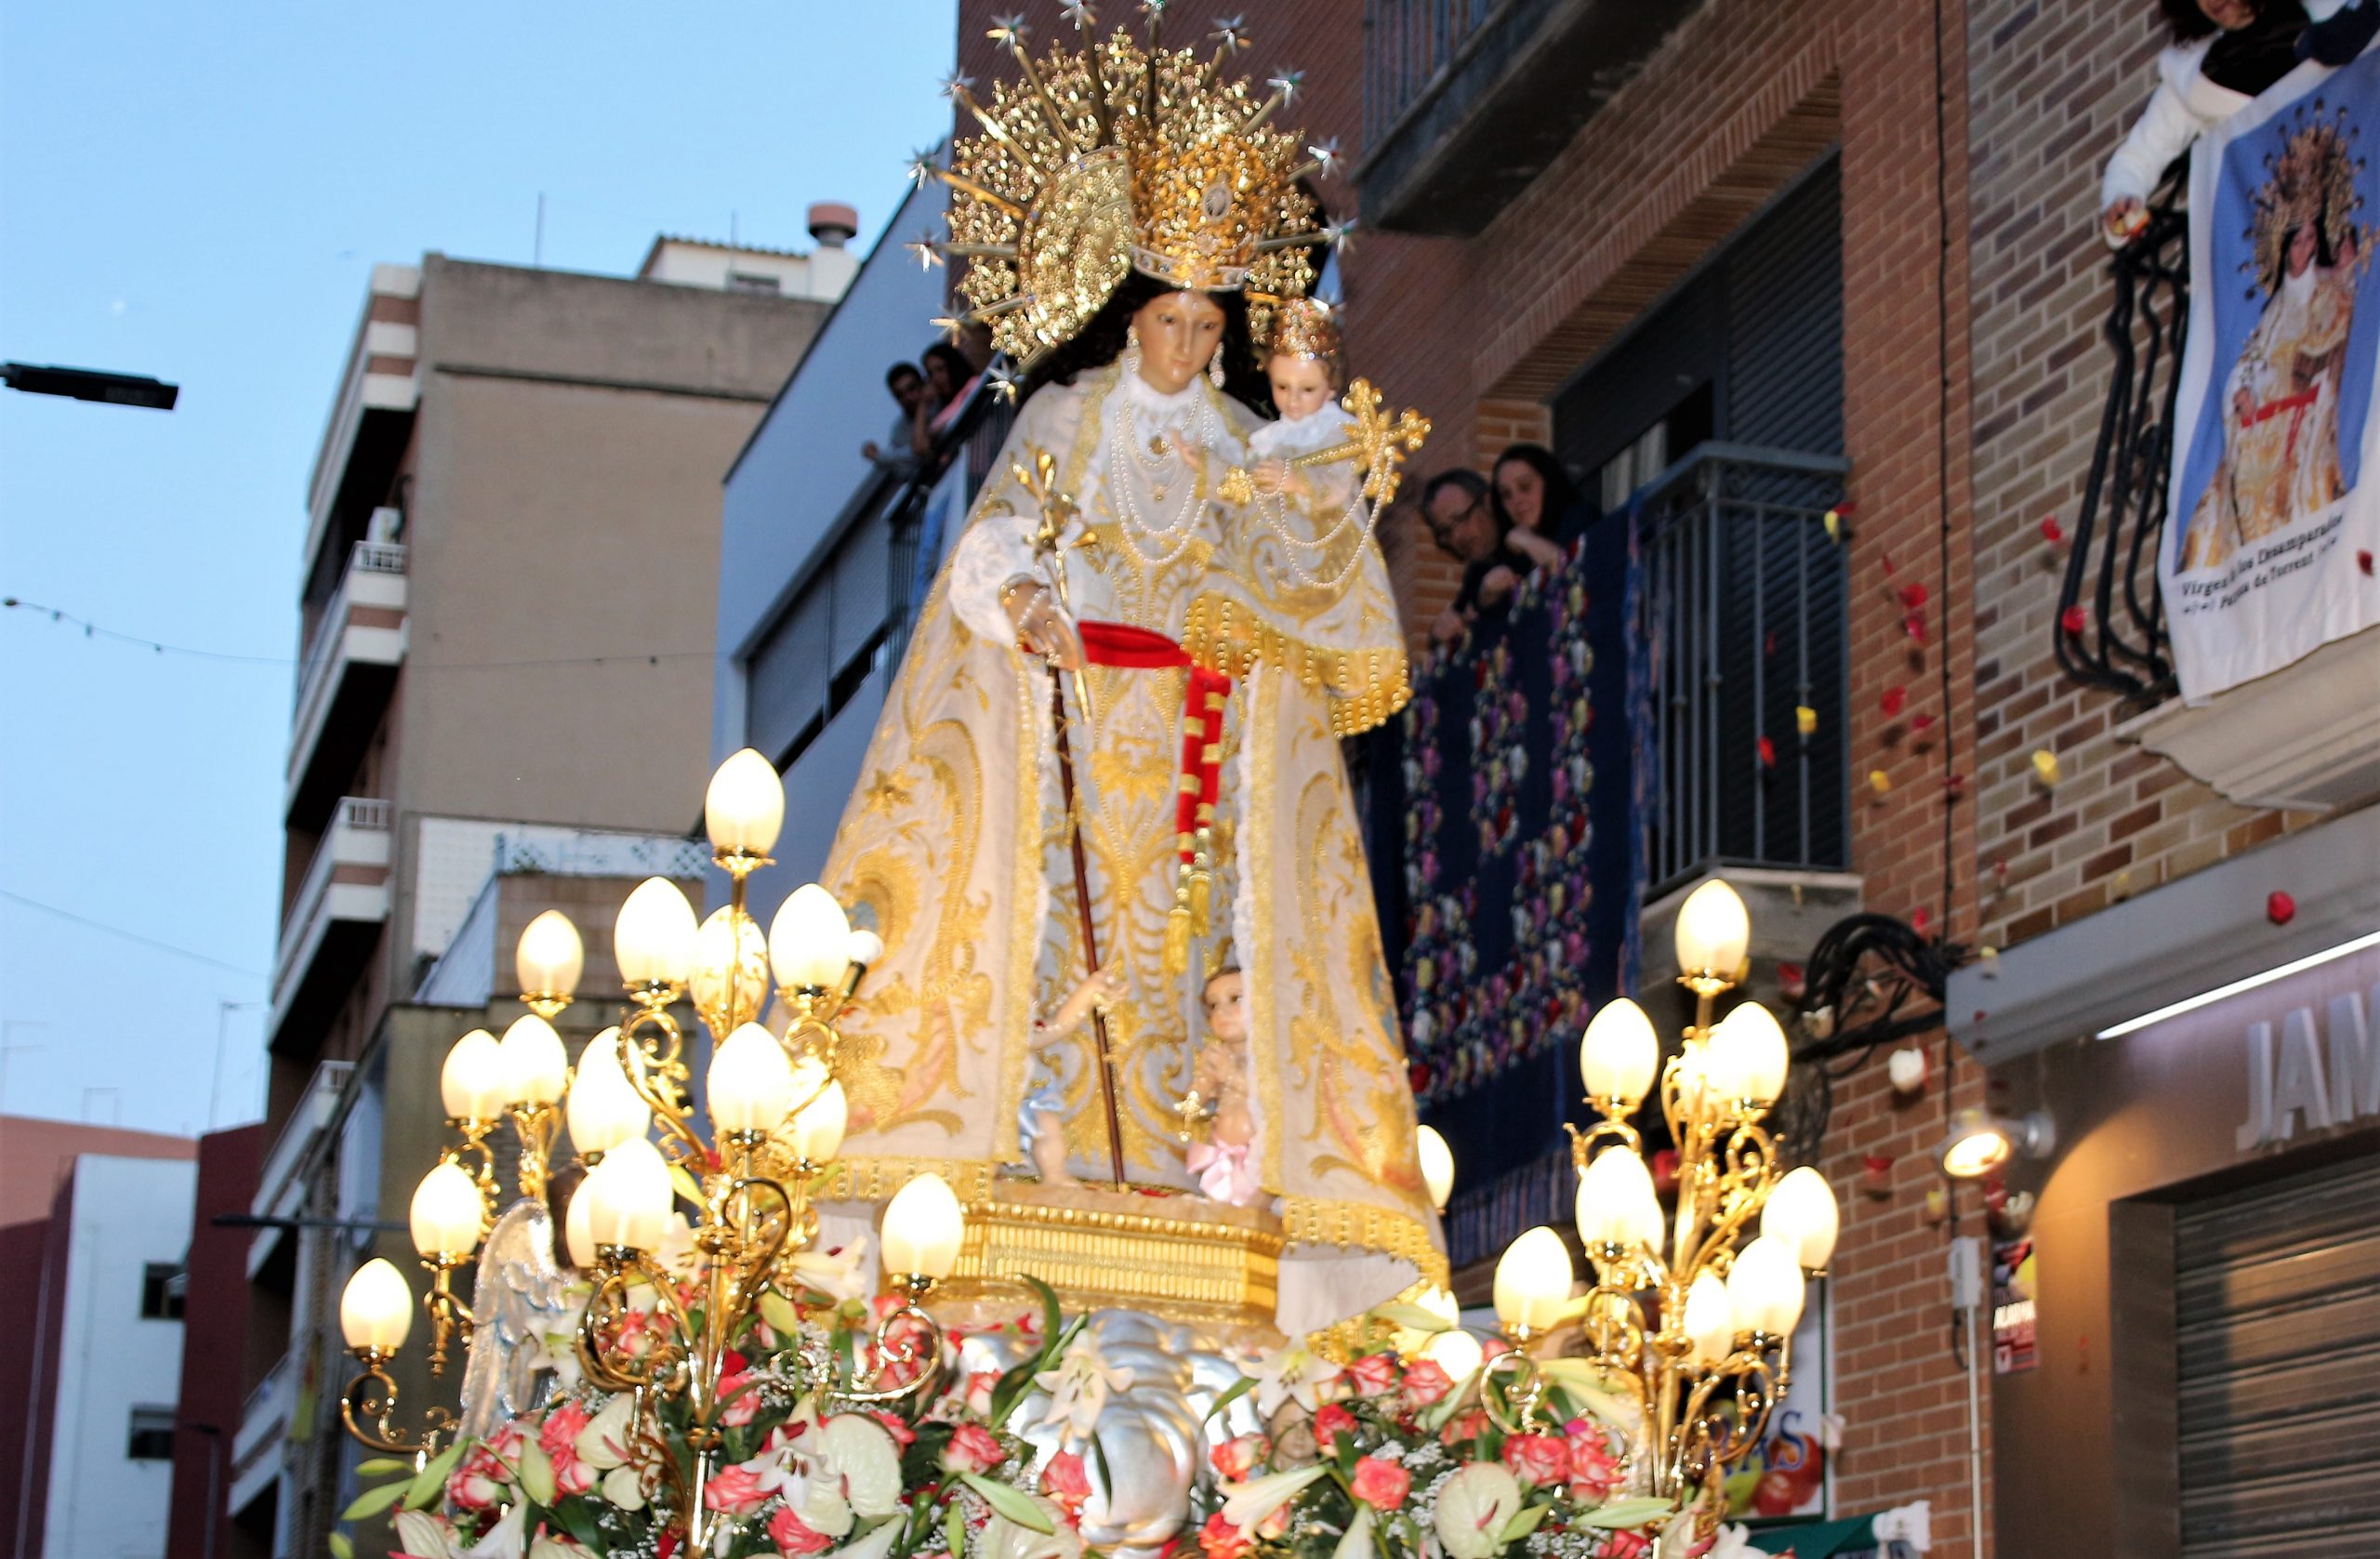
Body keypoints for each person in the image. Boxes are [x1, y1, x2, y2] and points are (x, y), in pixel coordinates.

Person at [814, 13, 1439, 1330]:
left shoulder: (1244, 437)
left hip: (1207, 735)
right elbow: (991, 544)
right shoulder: (1061, 415)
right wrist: (1032, 597)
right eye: (1168, 319)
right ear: (1128, 313)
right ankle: (1040, 1151)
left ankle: (1199, 1169)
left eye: (1211, 323)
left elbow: (1306, 575)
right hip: (1078, 718)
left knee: (1197, 960)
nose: (1189, 345)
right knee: (1057, 943)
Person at [2179, 139, 2361, 565]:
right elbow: (2252, 360)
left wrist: (2346, 271)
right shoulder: (2274, 311)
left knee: (2303, 466)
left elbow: (2334, 328)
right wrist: (2242, 393)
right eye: (2298, 242)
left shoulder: (2328, 286)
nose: (2306, 250)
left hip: (2310, 406)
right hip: (2270, 417)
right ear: (2283, 247)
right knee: (2233, 485)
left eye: (2312, 240)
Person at [2100, 0, 2349, 246]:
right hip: (2275, 238)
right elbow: (2139, 156)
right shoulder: (2192, 76)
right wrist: (2122, 204)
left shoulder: (2333, 10)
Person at [1424, 469, 1532, 643]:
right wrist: (1439, 635)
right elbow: (1461, 618)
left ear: (1488, 502)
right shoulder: (1476, 573)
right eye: (1446, 531)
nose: (1457, 536)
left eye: (1461, 518)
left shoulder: (1531, 528)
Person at [1180, 966, 1258, 1206]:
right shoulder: (1215, 1054)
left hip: (1259, 1155)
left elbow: (1270, 1099)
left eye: (1235, 999)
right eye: (1213, 1005)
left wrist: (1230, 1075)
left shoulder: (1266, 1058)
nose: (1221, 1011)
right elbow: (1200, 1088)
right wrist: (1194, 1098)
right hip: (1222, 1152)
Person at [1490, 442, 1587, 557]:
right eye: (1506, 494)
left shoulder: (1581, 519)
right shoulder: (1513, 551)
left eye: (1525, 486)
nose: (1516, 500)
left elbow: (1573, 570)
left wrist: (1529, 542)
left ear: (1549, 482)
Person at [861, 362, 932, 472]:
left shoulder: (941, 400)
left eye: (911, 388)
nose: (908, 398)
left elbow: (921, 447)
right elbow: (904, 470)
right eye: (900, 395)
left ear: (922, 384)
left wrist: (923, 405)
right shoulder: (900, 431)